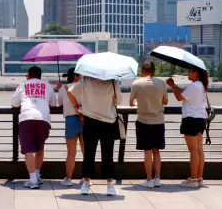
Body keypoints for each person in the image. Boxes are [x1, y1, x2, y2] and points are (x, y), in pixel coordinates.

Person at [66, 75, 122, 197]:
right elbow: (120, 101)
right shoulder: (112, 82)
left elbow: (70, 93)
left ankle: (86, 184)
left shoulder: (86, 81)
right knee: (108, 154)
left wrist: (77, 107)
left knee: (89, 154)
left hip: (90, 121)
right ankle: (110, 186)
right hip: (109, 121)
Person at [11, 66, 57, 189]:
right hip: (43, 118)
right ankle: (36, 176)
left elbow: (14, 103)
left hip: (27, 117)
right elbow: (54, 103)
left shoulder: (23, 85)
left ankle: (32, 180)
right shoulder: (47, 85)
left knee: (29, 150)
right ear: (40, 76)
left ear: (28, 75)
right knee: (40, 148)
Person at [168, 67, 209, 188]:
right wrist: (174, 86)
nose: (188, 73)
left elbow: (179, 97)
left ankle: (193, 180)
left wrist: (172, 86)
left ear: (196, 73)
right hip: (200, 119)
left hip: (190, 119)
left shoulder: (194, 86)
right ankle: (199, 178)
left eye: (190, 71)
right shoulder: (200, 85)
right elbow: (184, 93)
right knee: (199, 150)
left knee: (193, 151)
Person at [129, 60, 168, 188]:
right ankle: (157, 178)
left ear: (141, 71)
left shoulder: (136, 84)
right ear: (154, 71)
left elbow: (131, 102)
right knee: (156, 152)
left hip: (143, 121)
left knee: (147, 152)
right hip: (158, 121)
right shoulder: (161, 83)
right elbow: (165, 101)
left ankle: (149, 179)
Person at [56, 68, 84, 187]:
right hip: (84, 119)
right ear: (76, 76)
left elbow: (60, 103)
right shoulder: (84, 87)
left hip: (71, 121)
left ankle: (68, 179)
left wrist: (59, 89)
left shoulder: (63, 89)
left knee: (71, 153)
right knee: (86, 152)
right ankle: (85, 178)